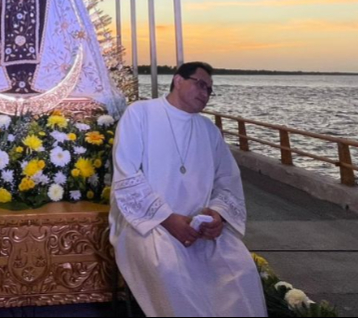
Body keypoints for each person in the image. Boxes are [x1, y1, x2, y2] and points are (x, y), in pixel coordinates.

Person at [109, 62, 265, 317]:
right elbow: (127, 173)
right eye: (200, 84)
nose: (205, 93)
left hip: (199, 227)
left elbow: (228, 179)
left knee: (241, 269)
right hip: (149, 223)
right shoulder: (140, 114)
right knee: (170, 268)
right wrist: (167, 219)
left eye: (210, 90)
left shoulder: (208, 130)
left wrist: (217, 215)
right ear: (178, 80)